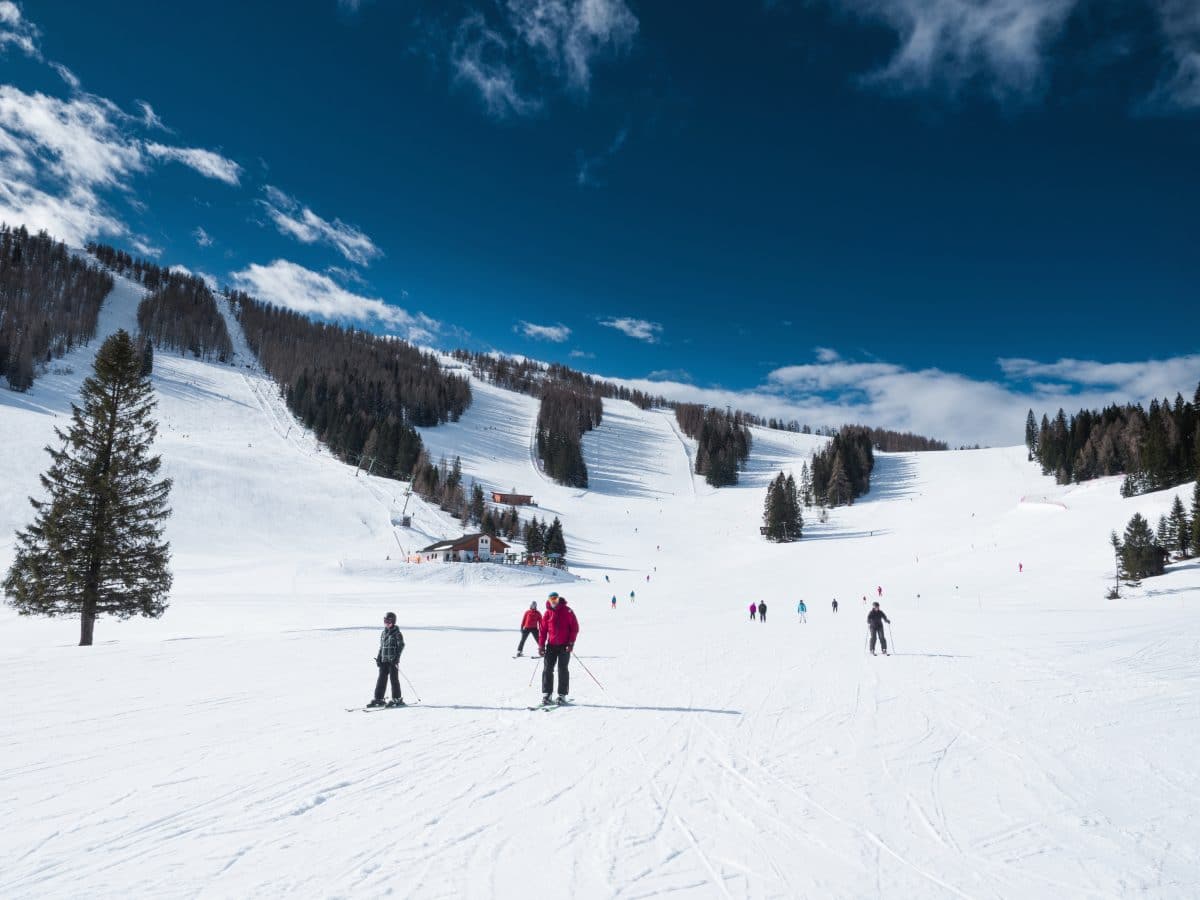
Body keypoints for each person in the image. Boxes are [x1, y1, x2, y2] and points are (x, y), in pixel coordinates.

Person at [539, 591, 579, 705]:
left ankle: (562, 695)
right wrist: (541, 646)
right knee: (547, 669)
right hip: (551, 646)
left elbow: (575, 628)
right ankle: (547, 695)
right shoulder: (547, 613)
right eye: (551, 599)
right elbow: (542, 631)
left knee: (562, 669)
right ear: (548, 600)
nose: (554, 601)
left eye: (555, 599)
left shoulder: (567, 611)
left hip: (564, 646)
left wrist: (571, 643)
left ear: (558, 599)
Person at [370, 612, 405, 707]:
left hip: (392, 661)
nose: (386, 623)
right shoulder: (384, 632)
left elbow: (401, 645)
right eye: (385, 621)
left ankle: (397, 698)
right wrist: (379, 658)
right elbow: (382, 647)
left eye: (388, 621)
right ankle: (379, 698)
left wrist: (396, 658)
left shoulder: (397, 633)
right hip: (384, 660)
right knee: (381, 679)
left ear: (393, 621)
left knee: (394, 679)